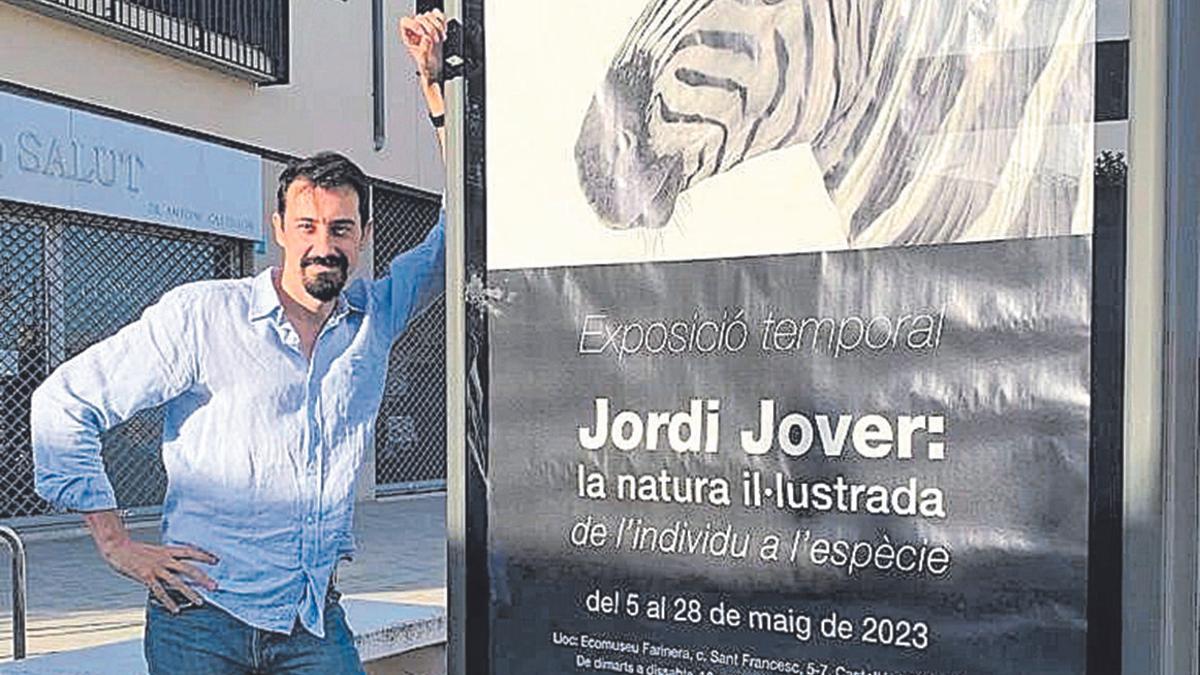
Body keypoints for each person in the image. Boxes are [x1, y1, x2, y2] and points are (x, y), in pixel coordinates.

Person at [29, 10, 451, 674]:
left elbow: (462, 226)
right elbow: (65, 401)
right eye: (307, 224)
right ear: (279, 227)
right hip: (199, 622)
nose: (324, 243)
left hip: (311, 618)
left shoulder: (376, 315)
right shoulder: (204, 316)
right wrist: (115, 544)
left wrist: (436, 92)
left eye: (341, 228)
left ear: (364, 236)